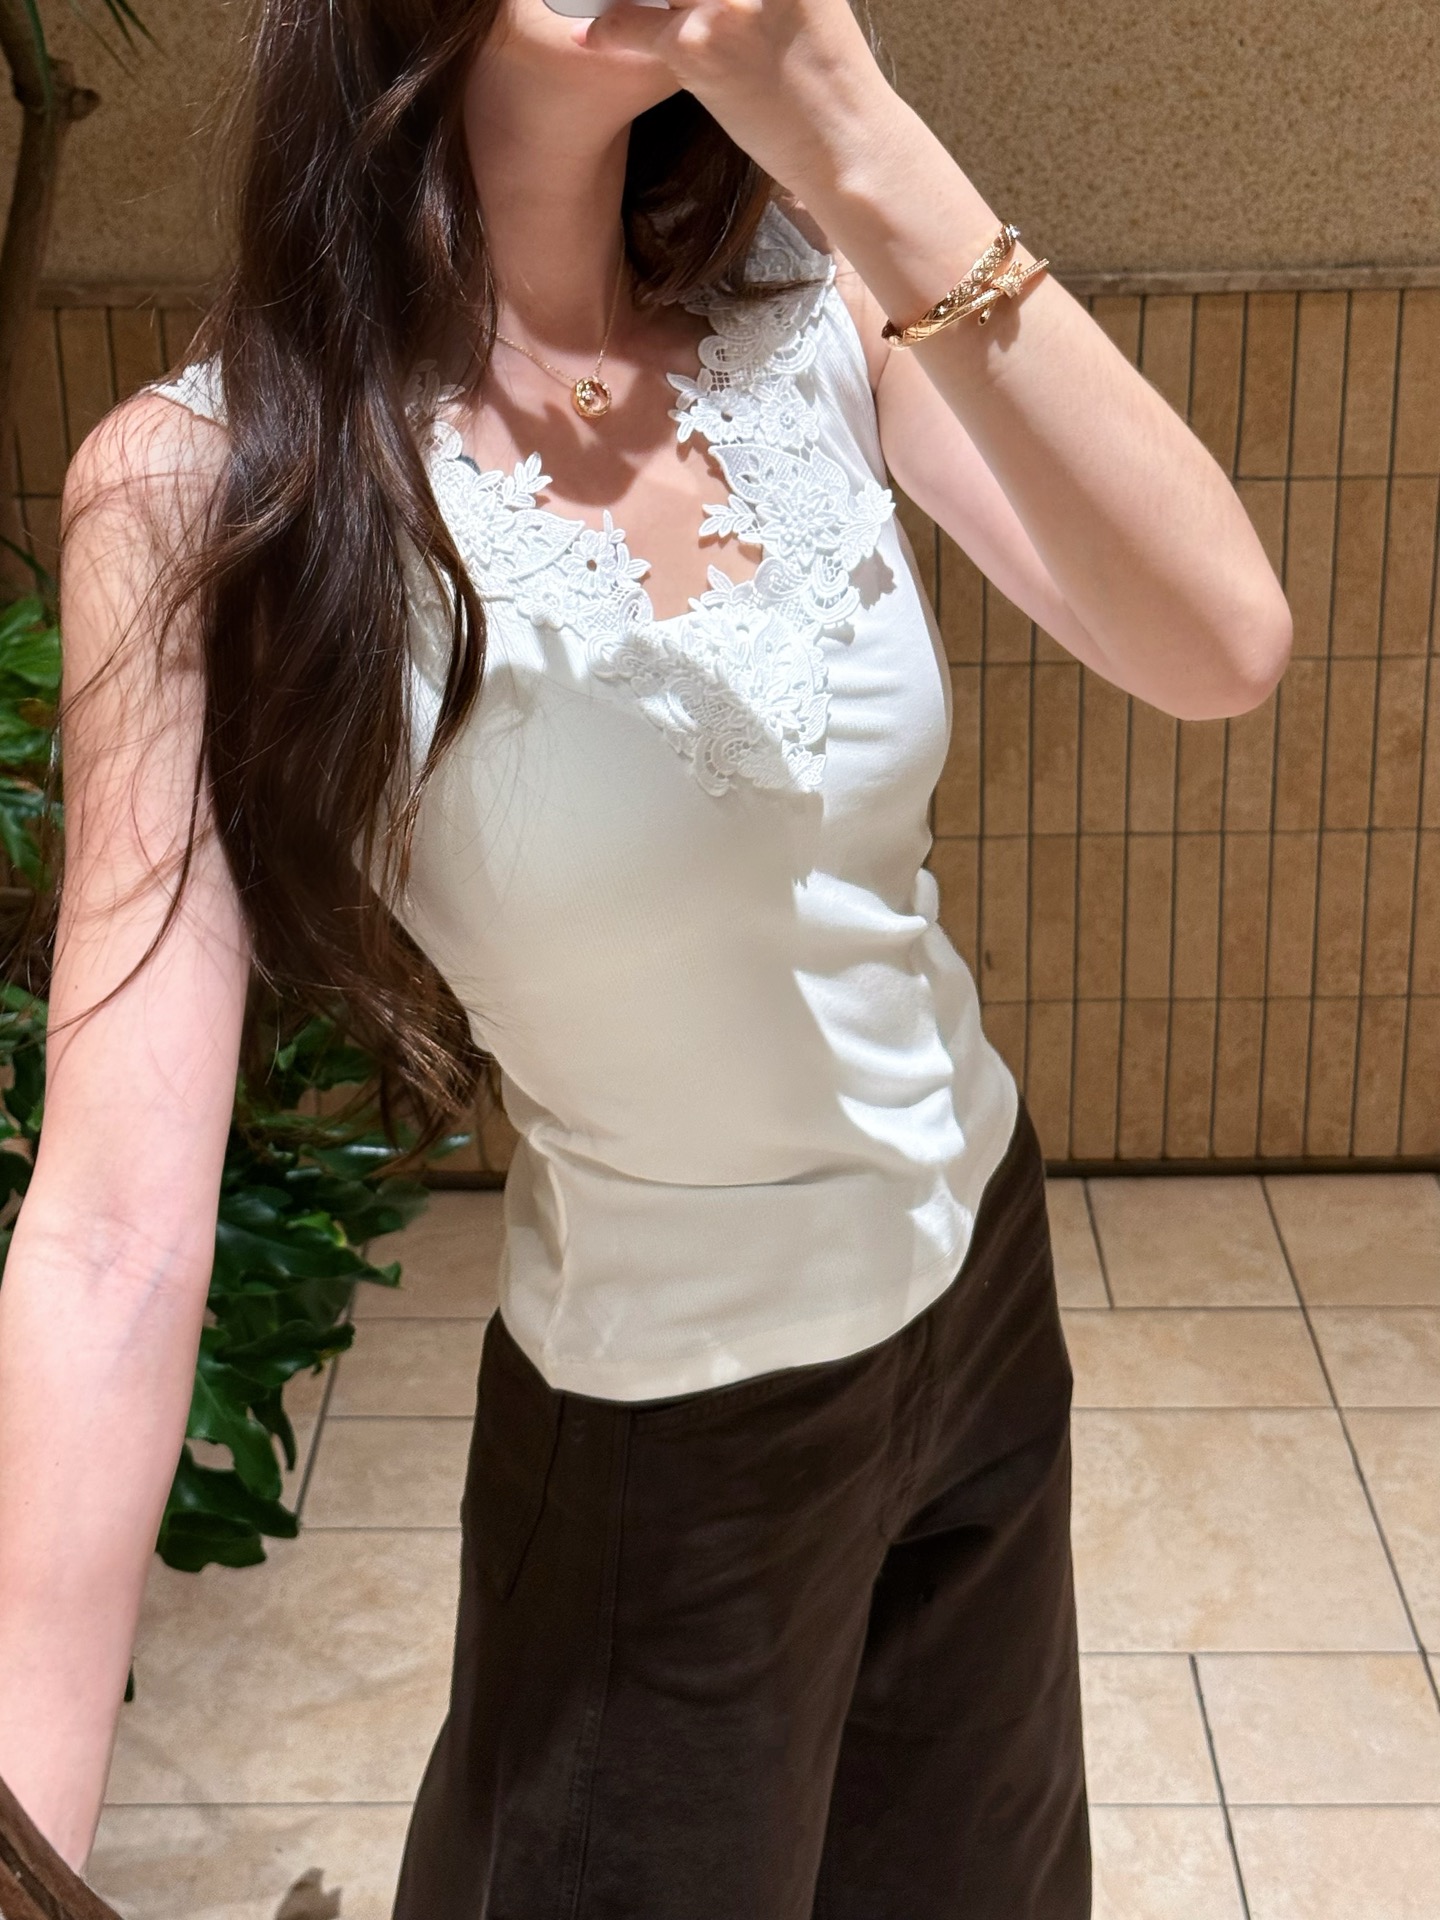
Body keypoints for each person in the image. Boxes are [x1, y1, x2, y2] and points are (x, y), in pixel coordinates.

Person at [0, 0, 1292, 1913]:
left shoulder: (816, 313)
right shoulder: (208, 482)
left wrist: (852, 125)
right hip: (673, 1437)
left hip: (979, 1301)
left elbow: (1220, 642)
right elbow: (115, 1231)